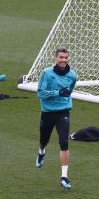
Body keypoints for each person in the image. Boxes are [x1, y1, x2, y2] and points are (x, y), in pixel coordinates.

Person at [36, 48, 77, 190]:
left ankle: (64, 178)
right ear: (55, 58)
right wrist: (58, 92)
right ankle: (41, 152)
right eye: (61, 57)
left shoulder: (72, 76)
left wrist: (63, 95)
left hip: (63, 112)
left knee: (64, 143)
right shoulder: (47, 73)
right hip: (47, 113)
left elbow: (69, 91)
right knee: (43, 141)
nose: (63, 60)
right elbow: (40, 93)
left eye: (66, 57)